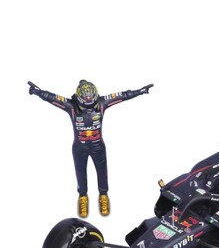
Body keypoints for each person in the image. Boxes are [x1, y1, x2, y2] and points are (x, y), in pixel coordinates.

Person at [28, 80, 153, 217]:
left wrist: (139, 92)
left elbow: (121, 95)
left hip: (98, 147)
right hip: (79, 148)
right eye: (85, 99)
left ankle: (103, 195)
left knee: (102, 172)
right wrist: (38, 92)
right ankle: (82, 196)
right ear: (79, 97)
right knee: (80, 173)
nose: (88, 102)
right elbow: (53, 98)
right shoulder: (71, 106)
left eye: (90, 98)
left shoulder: (102, 103)